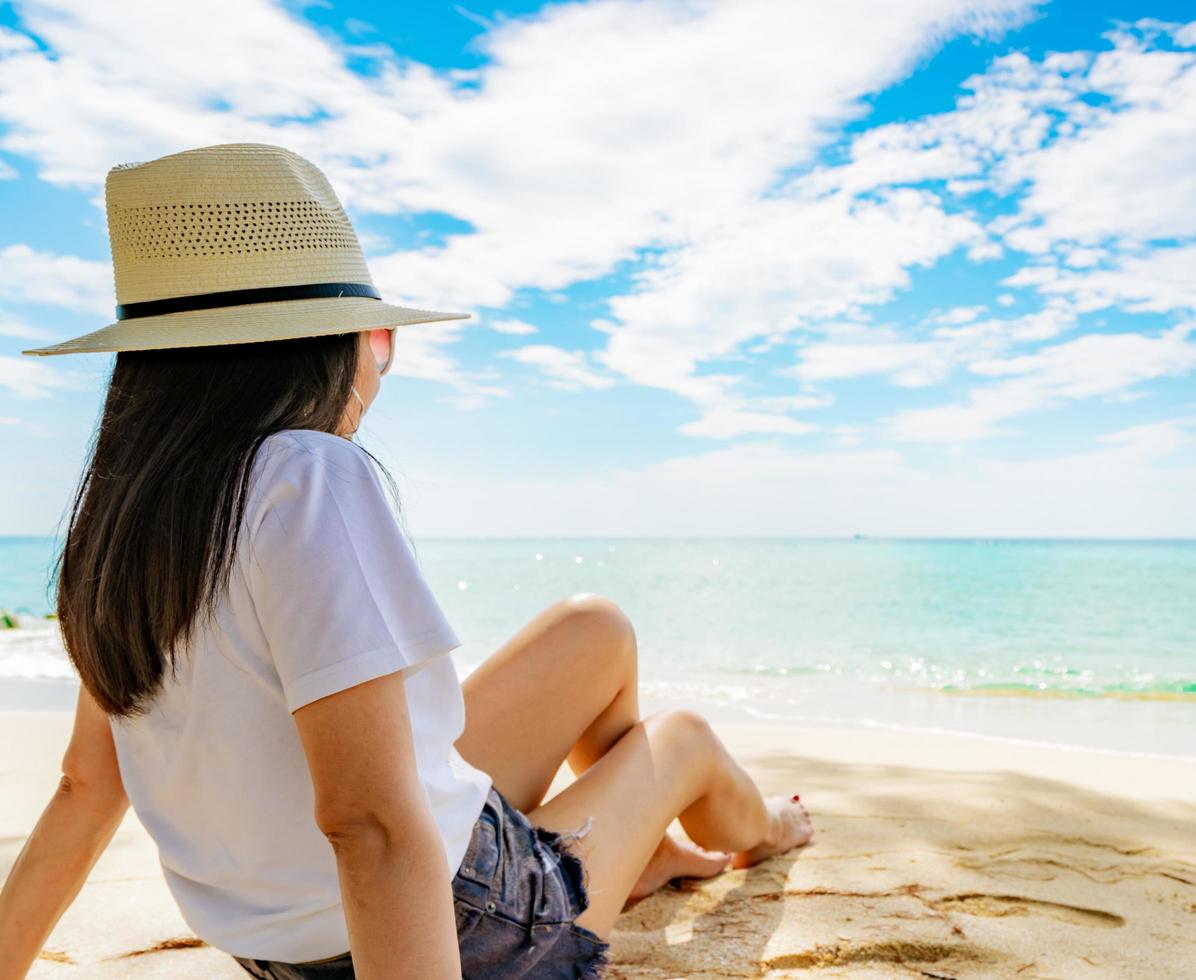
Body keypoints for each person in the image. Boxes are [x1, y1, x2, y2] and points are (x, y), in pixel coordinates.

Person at [0, 143, 811, 979]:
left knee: (594, 628)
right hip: (456, 929)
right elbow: (372, 828)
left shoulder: (124, 517)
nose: (377, 372)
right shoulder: (307, 475)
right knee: (681, 740)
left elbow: (85, 788)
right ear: (313, 347)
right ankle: (768, 832)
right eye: (376, 340)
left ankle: (639, 852)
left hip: (283, 947)